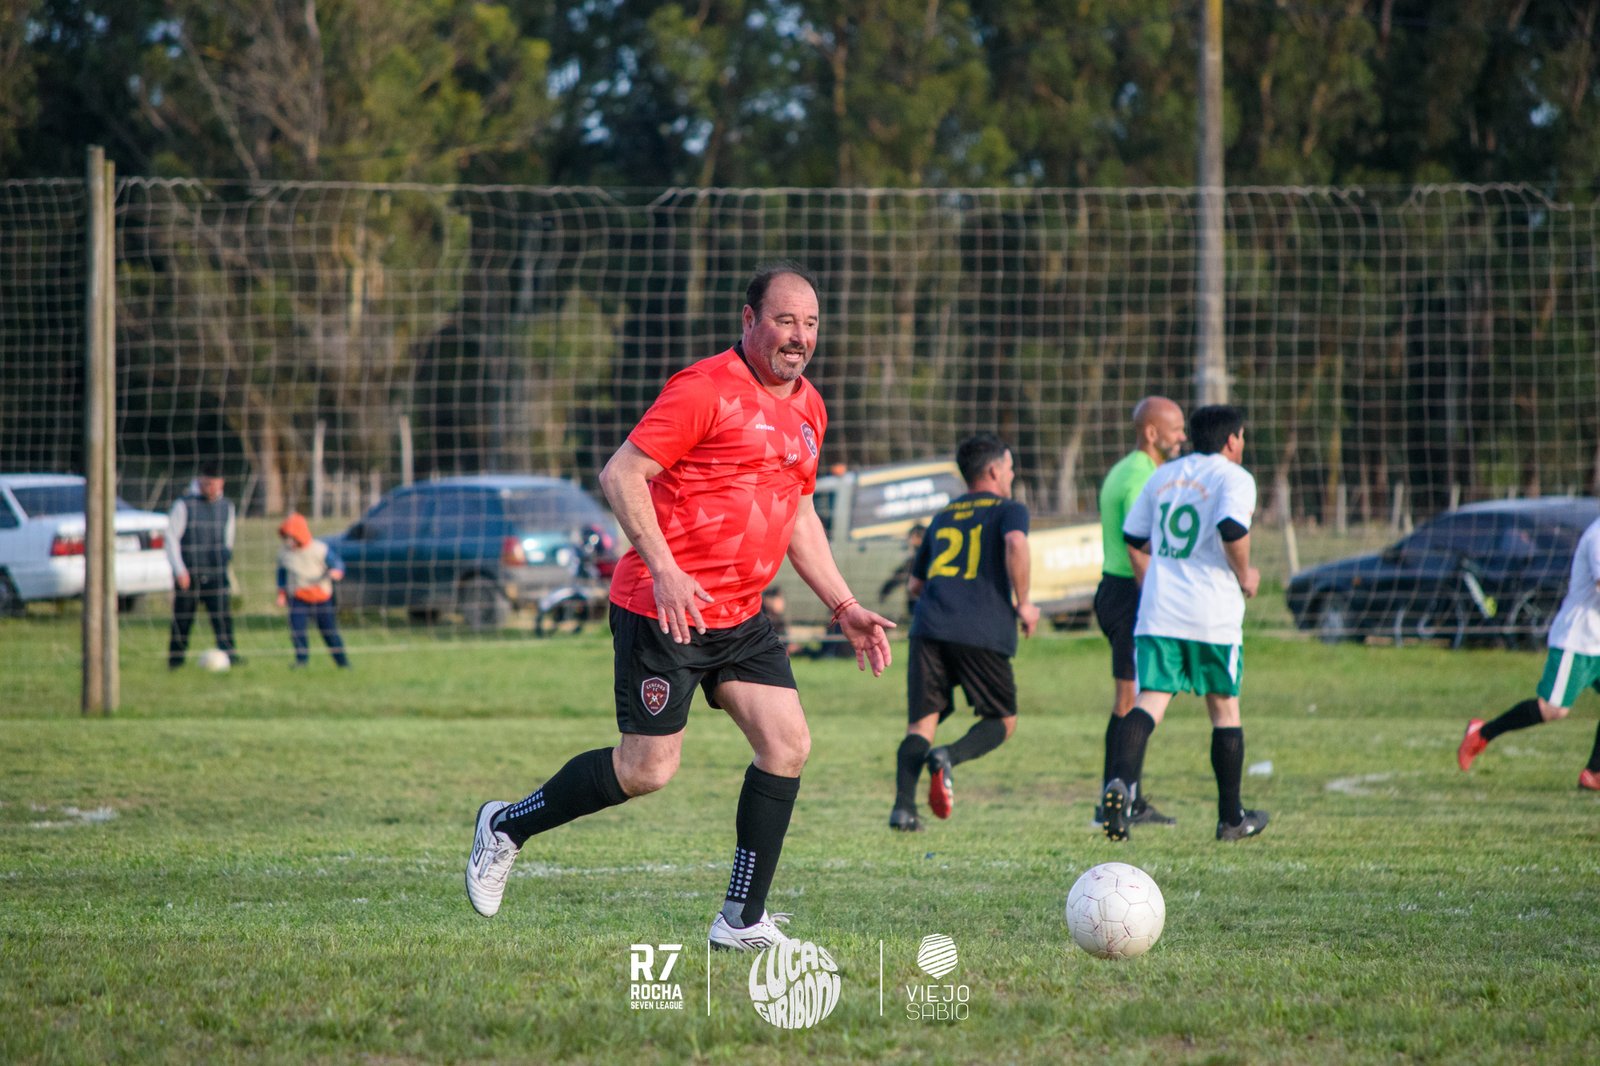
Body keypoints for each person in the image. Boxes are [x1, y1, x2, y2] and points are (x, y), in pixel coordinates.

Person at [464, 262, 895, 951]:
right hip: (665, 608)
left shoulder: (810, 407)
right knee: (647, 770)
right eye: (785, 320)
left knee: (787, 744)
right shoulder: (704, 388)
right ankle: (505, 826)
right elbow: (621, 474)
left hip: (741, 616)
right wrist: (665, 570)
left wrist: (842, 603)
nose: (800, 336)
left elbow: (799, 512)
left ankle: (741, 919)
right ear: (749, 320)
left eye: (811, 323)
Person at [1102, 404, 1268, 843]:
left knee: (1149, 701)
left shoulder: (1165, 475)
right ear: (1232, 440)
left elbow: (1134, 536)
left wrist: (1166, 567)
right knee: (1224, 709)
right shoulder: (1234, 477)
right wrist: (1244, 574)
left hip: (1160, 611)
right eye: (1242, 437)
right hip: (1212, 612)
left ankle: (1120, 785)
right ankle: (1231, 818)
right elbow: (1232, 527)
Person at [889, 433, 1040, 832]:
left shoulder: (943, 515)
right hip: (981, 627)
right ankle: (948, 757)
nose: (1011, 475)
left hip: (930, 625)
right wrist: (1024, 601)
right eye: (1009, 467)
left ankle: (903, 809)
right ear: (993, 470)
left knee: (921, 723)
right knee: (1002, 720)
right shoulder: (1010, 510)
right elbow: (1015, 543)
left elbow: (915, 585)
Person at [1092, 397, 1186, 830]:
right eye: (1175, 428)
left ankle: (1125, 796)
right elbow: (1137, 547)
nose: (1181, 436)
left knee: (1130, 698)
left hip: (1117, 591)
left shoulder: (1125, 468)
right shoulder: (1140, 477)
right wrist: (1157, 599)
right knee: (1131, 700)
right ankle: (1117, 800)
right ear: (1151, 433)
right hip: (1130, 593)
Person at [1457, 512, 1600, 790]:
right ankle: (1482, 733)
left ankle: (1594, 772)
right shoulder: (1598, 535)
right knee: (1553, 709)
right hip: (1579, 639)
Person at [166, 464, 240, 668]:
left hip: (216, 573)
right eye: (207, 484)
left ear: (222, 483)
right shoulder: (184, 505)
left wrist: (225, 561)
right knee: (183, 619)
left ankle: (230, 656)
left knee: (222, 618)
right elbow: (171, 539)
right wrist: (179, 570)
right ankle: (176, 660)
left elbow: (228, 539)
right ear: (200, 481)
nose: (211, 488)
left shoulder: (227, 506)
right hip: (189, 574)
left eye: (215, 484)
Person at [275, 512, 351, 669]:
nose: (288, 541)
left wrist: (337, 571)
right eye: (285, 537)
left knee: (329, 632)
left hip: (320, 597)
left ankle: (342, 662)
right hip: (298, 597)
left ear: (299, 535)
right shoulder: (284, 554)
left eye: (291, 537)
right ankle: (301, 661)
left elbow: (337, 563)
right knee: (297, 630)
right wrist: (282, 594)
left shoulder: (318, 549)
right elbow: (281, 575)